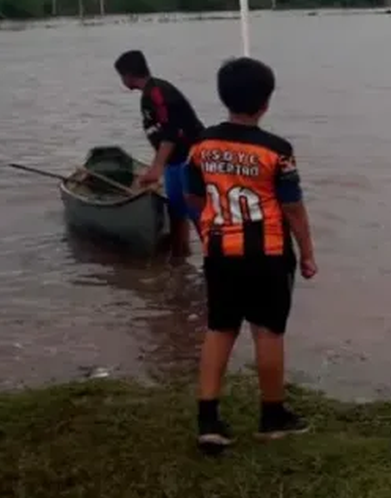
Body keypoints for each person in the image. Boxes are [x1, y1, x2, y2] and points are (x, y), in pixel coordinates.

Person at [183, 56, 318, 455]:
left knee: (219, 328)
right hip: (268, 255)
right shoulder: (277, 150)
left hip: (220, 252)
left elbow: (193, 197)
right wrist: (308, 253)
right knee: (268, 331)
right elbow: (292, 207)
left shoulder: (201, 145)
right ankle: (272, 416)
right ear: (266, 102)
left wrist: (209, 229)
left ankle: (208, 420)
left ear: (223, 96)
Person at [113, 50, 204, 257]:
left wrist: (156, 169)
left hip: (189, 160)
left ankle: (214, 262)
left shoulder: (157, 93)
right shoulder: (149, 94)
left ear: (128, 75)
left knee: (197, 213)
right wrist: (161, 165)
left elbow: (171, 132)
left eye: (121, 76)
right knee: (176, 213)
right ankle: (180, 261)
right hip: (174, 162)